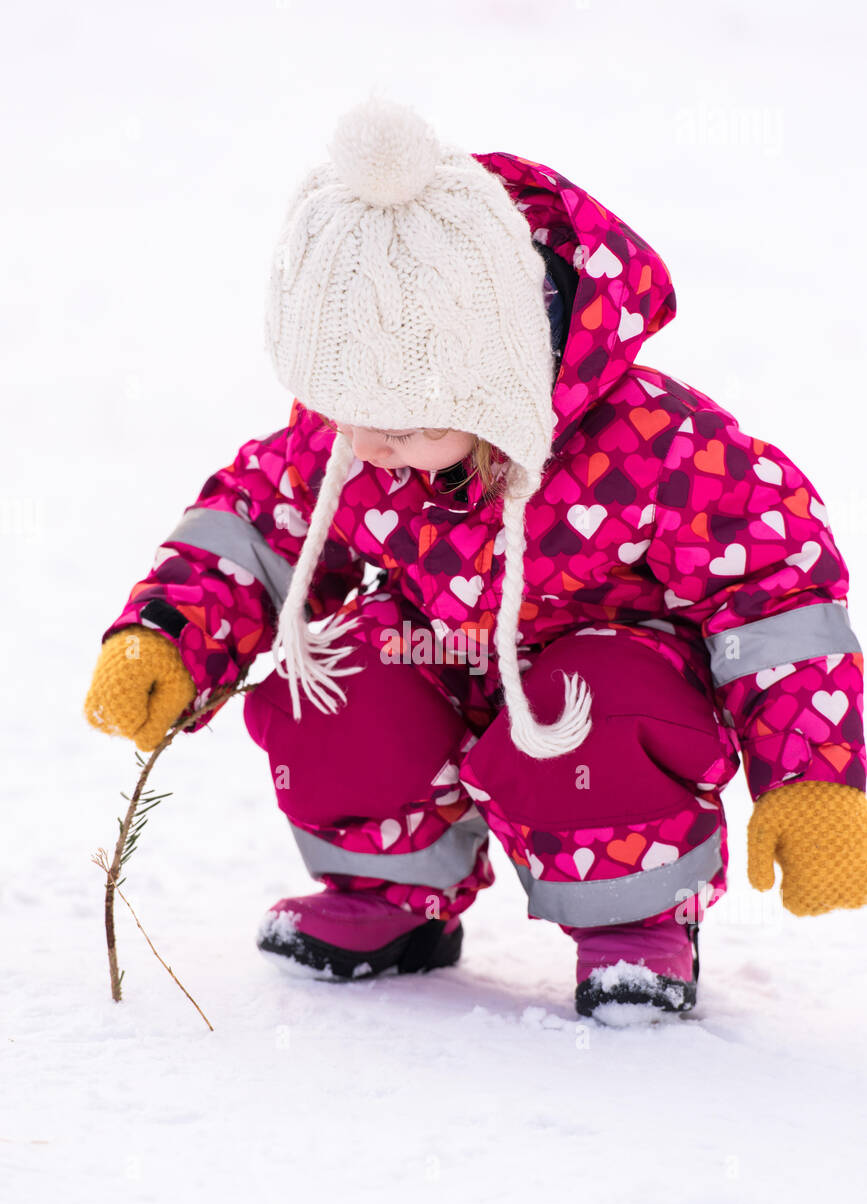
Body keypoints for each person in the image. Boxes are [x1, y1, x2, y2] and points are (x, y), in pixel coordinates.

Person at [84, 96, 867, 1020]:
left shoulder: (659, 451)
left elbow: (776, 601)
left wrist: (816, 776)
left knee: (596, 701)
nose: (365, 445)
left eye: (402, 424)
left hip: (600, 675)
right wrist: (167, 636)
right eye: (340, 409)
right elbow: (254, 531)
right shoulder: (356, 440)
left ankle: (634, 919)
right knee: (333, 672)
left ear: (494, 383)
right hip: (440, 660)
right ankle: (390, 896)